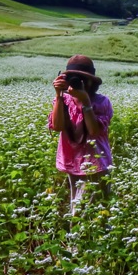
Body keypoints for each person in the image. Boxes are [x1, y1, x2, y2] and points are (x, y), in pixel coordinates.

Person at [48, 55, 113, 212]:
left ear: (91, 82)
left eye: (82, 79)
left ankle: (78, 236)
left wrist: (85, 101)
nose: (78, 82)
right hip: (72, 162)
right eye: (73, 78)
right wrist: (59, 95)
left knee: (84, 213)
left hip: (95, 164)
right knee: (79, 208)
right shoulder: (65, 100)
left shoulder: (101, 102)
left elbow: (93, 130)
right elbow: (57, 126)